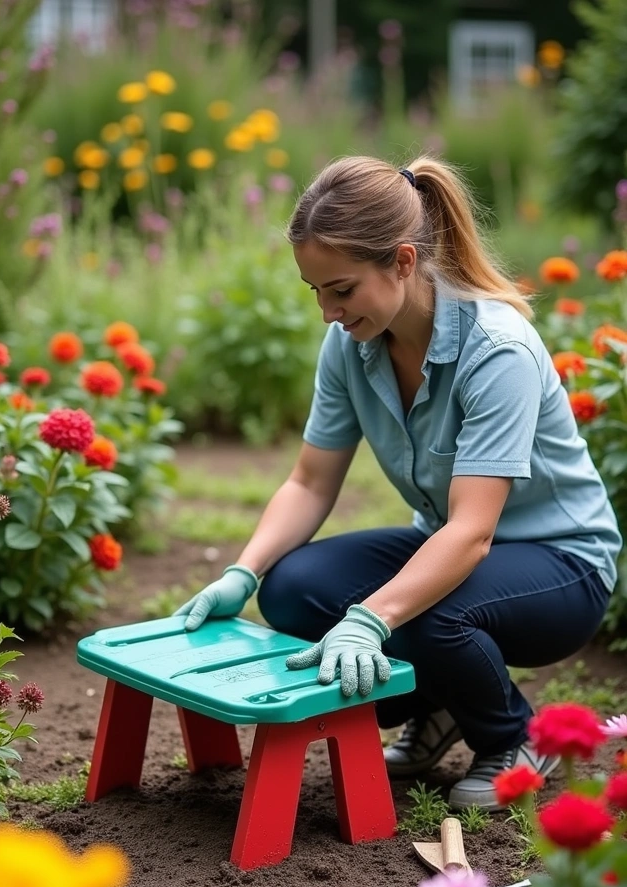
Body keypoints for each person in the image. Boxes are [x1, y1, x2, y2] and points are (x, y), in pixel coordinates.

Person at [176, 155, 622, 811]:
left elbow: (472, 533)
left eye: (343, 289)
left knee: (426, 607)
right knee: (294, 588)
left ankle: (516, 737)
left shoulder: (497, 348)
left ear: (404, 262)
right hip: (453, 544)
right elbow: (308, 482)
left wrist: (370, 618)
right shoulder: (352, 345)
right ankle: (440, 706)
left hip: (562, 564)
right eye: (316, 291)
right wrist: (242, 574)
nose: (328, 310)